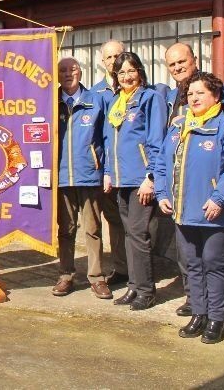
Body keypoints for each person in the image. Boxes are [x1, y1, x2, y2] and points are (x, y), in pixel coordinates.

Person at [155, 71, 224, 344]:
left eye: (200, 92)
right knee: (192, 264)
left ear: (215, 95)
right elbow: (161, 162)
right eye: (190, 94)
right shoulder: (178, 126)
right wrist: (161, 193)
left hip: (213, 211)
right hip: (182, 210)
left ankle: (217, 318)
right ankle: (199, 313)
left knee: (213, 264)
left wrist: (219, 198)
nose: (194, 98)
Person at [53, 57, 124, 300]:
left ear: (81, 72)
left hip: (90, 175)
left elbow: (107, 139)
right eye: (62, 70)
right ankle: (65, 275)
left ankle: (96, 277)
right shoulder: (50, 102)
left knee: (93, 229)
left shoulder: (96, 100)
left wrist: (107, 172)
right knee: (65, 229)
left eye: (72, 69)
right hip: (62, 176)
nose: (67, 74)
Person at [103, 52, 167, 311]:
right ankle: (133, 284)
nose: (127, 77)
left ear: (140, 71)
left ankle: (146, 290)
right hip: (121, 179)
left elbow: (157, 139)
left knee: (139, 234)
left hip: (141, 179)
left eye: (131, 71)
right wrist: (108, 171)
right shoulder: (117, 102)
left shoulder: (151, 98)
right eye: (121, 73)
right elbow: (110, 141)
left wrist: (151, 177)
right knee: (129, 234)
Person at [90, 39, 129, 286]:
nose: (114, 62)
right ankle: (121, 268)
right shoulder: (95, 94)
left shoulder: (140, 89)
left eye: (118, 56)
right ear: (102, 62)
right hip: (104, 169)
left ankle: (137, 270)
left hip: (131, 167)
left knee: (133, 225)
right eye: (109, 58)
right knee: (113, 220)